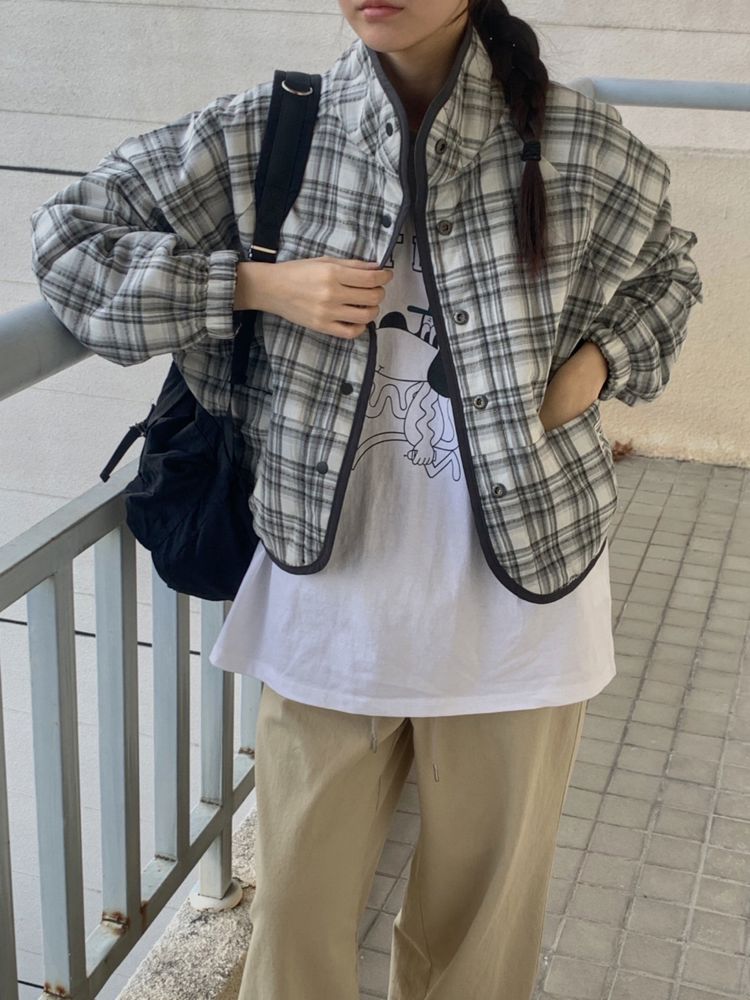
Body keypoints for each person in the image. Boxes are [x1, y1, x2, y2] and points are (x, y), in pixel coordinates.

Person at [29, 1, 703, 997]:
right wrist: (254, 286)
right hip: (329, 605)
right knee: (294, 936)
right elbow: (69, 241)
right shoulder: (269, 131)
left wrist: (593, 368)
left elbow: (668, 276)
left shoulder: (576, 138)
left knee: (479, 951)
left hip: (522, 611)